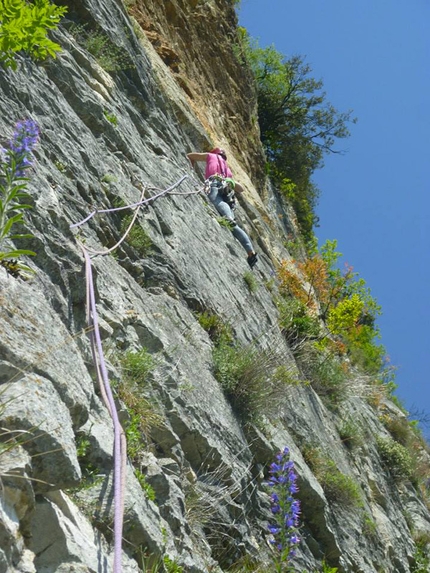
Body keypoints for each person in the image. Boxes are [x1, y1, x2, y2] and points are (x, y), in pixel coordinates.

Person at [186, 147, 258, 269]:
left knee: (217, 203)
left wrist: (192, 170)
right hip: (227, 191)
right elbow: (241, 189)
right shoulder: (228, 171)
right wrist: (231, 181)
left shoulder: (210, 156)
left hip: (213, 184)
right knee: (233, 225)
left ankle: (229, 218)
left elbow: (190, 156)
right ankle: (250, 252)